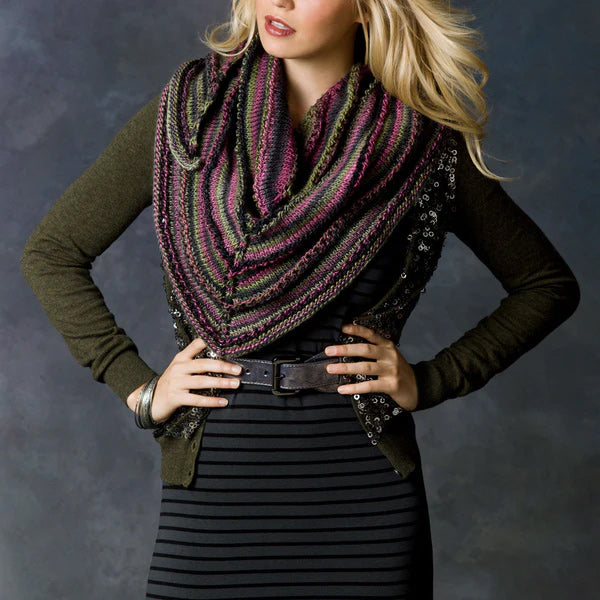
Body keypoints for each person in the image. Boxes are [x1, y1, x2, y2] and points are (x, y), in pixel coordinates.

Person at [20, 0, 580, 598]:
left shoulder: (418, 142)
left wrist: (430, 380)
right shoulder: (189, 116)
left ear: (367, 9)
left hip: (363, 500)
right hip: (214, 488)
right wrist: (139, 388)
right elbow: (52, 252)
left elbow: (546, 286)